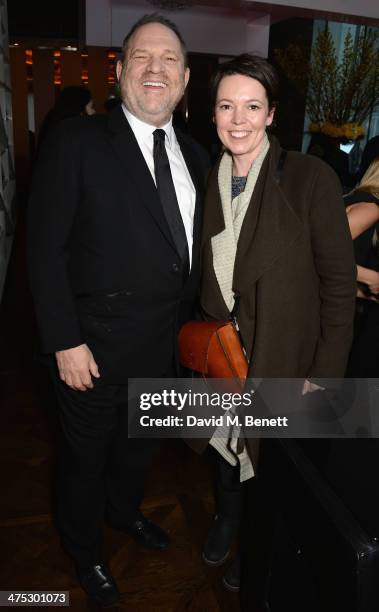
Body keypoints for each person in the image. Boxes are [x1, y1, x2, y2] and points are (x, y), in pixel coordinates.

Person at [27, 14, 207, 607]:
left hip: (165, 347)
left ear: (184, 78)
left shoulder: (199, 156)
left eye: (169, 60)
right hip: (92, 351)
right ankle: (84, 550)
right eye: (142, 57)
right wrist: (63, 340)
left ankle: (124, 514)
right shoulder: (77, 141)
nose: (156, 69)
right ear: (122, 69)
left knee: (137, 452)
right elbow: (44, 247)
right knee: (84, 461)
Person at [197, 54, 356, 591]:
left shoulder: (310, 177)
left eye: (251, 106)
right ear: (213, 113)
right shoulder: (208, 179)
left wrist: (325, 371)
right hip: (226, 353)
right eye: (226, 105)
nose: (237, 119)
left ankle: (256, 543)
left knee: (269, 463)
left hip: (284, 356)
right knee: (225, 448)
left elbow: (339, 284)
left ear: (271, 115)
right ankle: (228, 517)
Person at [345, 158, 379, 376]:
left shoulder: (363, 201)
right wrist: (372, 278)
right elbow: (317, 254)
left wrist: (363, 292)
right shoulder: (371, 207)